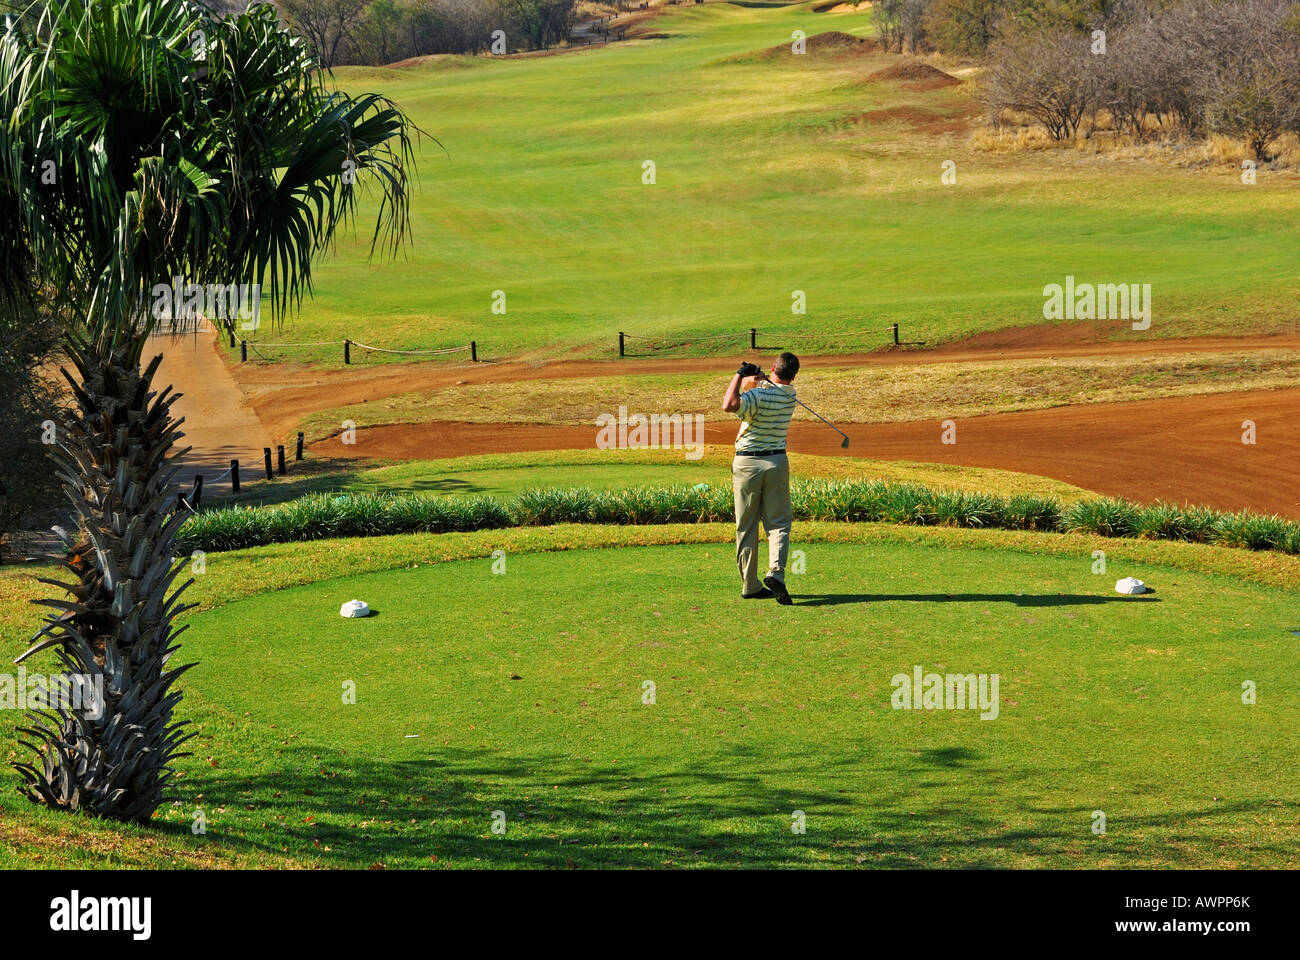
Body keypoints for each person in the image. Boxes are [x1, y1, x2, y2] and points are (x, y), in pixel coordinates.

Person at [721, 352, 799, 604]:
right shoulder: (790, 396)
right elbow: (768, 389)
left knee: (746, 525)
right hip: (776, 462)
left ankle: (750, 584)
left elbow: (729, 405)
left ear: (774, 366)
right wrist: (757, 381)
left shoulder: (756, 396)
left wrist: (739, 375)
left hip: (747, 463)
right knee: (778, 523)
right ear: (793, 376)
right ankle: (776, 572)